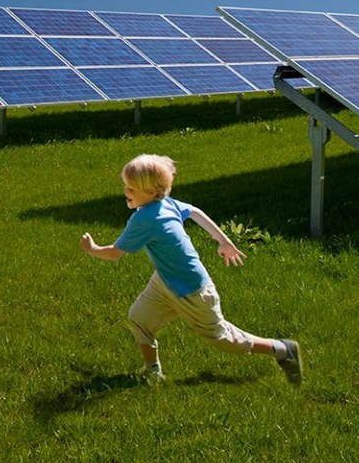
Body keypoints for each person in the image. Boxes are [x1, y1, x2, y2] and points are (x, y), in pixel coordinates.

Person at [80, 153, 302, 385]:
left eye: (132, 189)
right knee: (139, 318)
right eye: (125, 186)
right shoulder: (165, 203)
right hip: (164, 280)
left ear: (153, 193)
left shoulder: (145, 218)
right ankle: (152, 371)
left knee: (222, 338)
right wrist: (223, 240)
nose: (126, 192)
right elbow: (195, 212)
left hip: (192, 290)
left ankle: (282, 349)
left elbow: (115, 253)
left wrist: (92, 249)